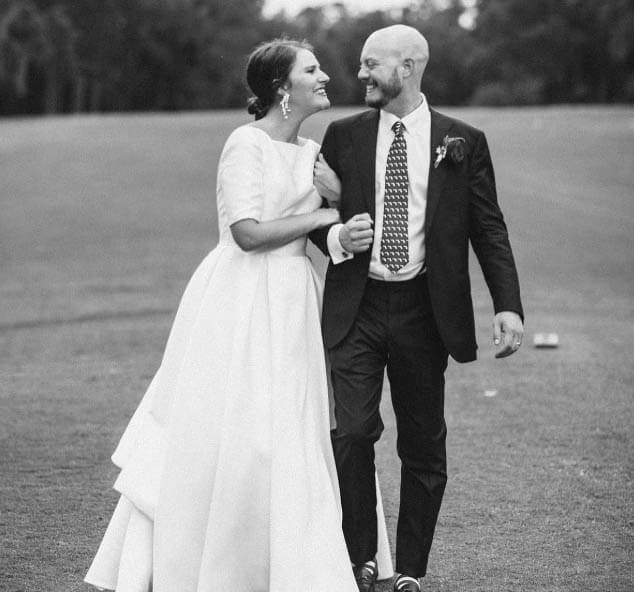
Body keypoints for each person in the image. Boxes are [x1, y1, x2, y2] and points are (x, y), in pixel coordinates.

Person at [84, 38, 392, 592]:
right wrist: (321, 214)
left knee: (296, 426)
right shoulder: (245, 144)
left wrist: (338, 213)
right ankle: (215, 561)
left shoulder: (313, 153)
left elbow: (328, 230)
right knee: (236, 430)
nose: (325, 77)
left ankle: (298, 562)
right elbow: (246, 234)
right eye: (312, 70)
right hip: (242, 299)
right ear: (281, 88)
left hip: (297, 300)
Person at [310, 25, 524, 592]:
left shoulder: (463, 140)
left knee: (423, 444)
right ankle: (361, 559)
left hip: (425, 311)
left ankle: (409, 570)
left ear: (407, 67)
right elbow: (316, 220)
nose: (360, 75)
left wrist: (509, 306)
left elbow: (489, 228)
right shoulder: (342, 135)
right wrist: (336, 235)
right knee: (353, 433)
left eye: (370, 65)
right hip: (356, 305)